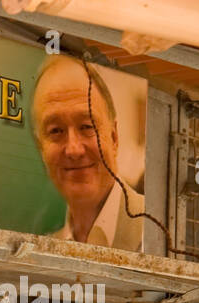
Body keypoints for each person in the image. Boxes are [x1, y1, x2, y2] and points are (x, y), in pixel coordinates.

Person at [31, 55, 144, 251]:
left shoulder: (157, 228)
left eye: (86, 126)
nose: (74, 149)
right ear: (41, 148)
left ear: (114, 137)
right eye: (56, 131)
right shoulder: (44, 252)